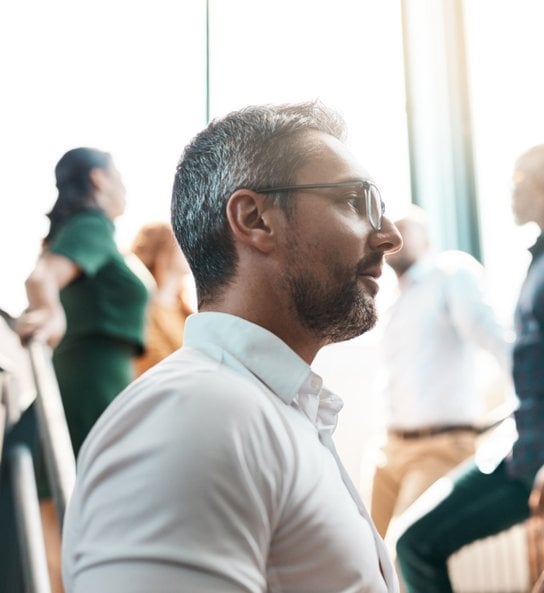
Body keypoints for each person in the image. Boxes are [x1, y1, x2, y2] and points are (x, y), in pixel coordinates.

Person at [61, 100, 404, 593]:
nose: (389, 236)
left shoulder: (268, 410)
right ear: (255, 219)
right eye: (354, 201)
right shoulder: (193, 414)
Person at [395, 143, 544, 593]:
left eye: (516, 180)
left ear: (541, 182)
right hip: (523, 449)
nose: (509, 192)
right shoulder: (543, 259)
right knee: (414, 542)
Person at [370, 205, 512, 538]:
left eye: (405, 227)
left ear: (427, 242)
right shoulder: (390, 300)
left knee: (405, 549)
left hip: (440, 446)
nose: (392, 232)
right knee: (364, 553)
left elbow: (495, 341)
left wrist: (526, 410)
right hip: (388, 449)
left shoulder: (450, 275)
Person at [16, 147, 148, 456]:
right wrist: (50, 311)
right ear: (98, 178)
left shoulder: (83, 229)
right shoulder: (92, 225)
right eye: (118, 176)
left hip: (95, 378)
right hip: (91, 385)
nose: (124, 186)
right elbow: (41, 278)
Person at [128, 221, 193, 376]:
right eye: (181, 239)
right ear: (163, 247)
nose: (191, 245)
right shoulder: (143, 310)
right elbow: (154, 365)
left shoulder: (186, 312)